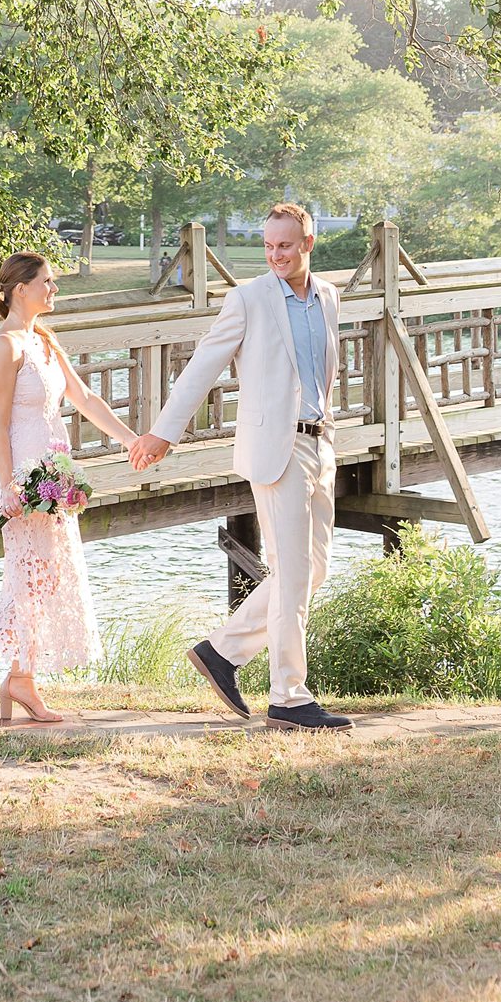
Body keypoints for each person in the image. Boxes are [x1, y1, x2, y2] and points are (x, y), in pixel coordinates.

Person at [129, 202, 353, 731]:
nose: (276, 254)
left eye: (286, 245)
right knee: (294, 574)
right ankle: (289, 698)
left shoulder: (327, 297)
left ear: (308, 244)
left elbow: (320, 375)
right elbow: (203, 364)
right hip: (275, 451)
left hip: (320, 445)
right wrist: (164, 431)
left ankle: (221, 652)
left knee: (313, 571)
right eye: (269, 246)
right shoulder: (248, 300)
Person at [0, 251, 139, 726]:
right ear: (20, 289)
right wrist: (9, 484)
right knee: (27, 578)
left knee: (48, 579)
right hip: (21, 474)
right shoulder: (4, 346)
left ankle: (23, 678)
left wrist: (133, 440)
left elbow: (85, 399)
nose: (55, 289)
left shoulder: (46, 341)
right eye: (48, 282)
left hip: (53, 471)